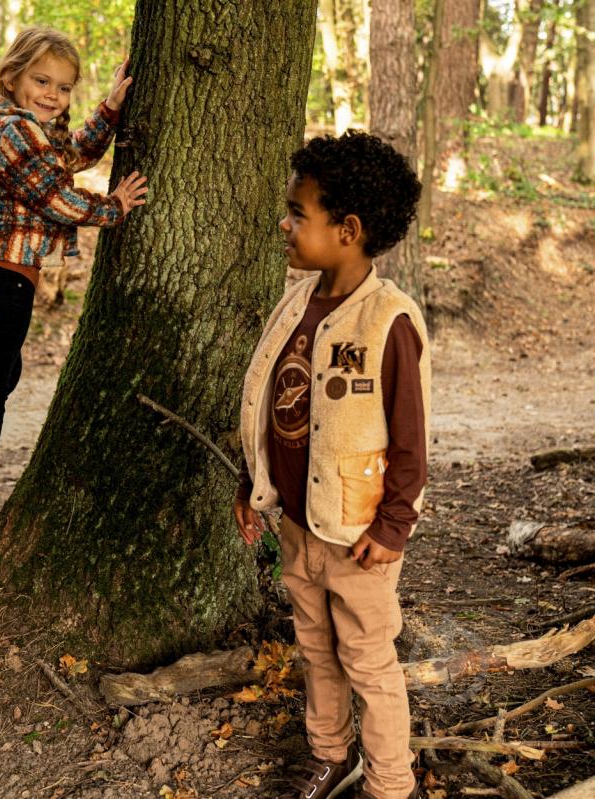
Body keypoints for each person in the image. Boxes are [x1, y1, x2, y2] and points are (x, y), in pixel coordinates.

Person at [233, 130, 429, 799]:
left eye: (298, 213)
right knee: (315, 650)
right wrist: (250, 480)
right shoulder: (296, 299)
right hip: (296, 523)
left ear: (347, 229)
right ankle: (329, 753)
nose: (283, 223)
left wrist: (393, 526)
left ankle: (389, 782)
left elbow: (410, 443)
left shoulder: (387, 321)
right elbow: (267, 395)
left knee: (369, 663)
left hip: (359, 538)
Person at [0, 26, 148, 539]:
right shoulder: (13, 132)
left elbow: (73, 155)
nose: (53, 95)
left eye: (64, 87)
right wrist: (113, 207)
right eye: (42, 81)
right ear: (11, 77)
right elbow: (56, 197)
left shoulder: (27, 128)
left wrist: (111, 109)